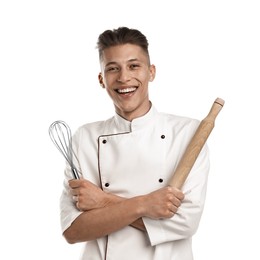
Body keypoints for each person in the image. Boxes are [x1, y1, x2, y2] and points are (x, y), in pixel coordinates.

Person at [60, 27, 210, 260]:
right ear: (101, 79)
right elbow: (73, 230)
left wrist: (104, 201)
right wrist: (145, 204)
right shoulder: (85, 137)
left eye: (134, 66)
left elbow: (185, 223)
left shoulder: (188, 133)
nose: (123, 77)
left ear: (151, 72)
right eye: (112, 69)